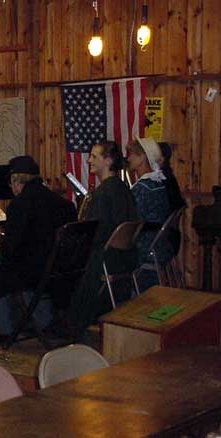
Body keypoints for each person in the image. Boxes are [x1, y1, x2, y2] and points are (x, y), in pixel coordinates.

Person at [0, 156, 76, 345]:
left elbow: (10, 251)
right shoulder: (64, 204)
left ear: (16, 181)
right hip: (61, 271)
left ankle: (1, 329)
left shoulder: (19, 204)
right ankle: (42, 318)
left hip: (34, 274)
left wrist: (2, 254)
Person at [65, 141, 138, 339]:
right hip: (123, 258)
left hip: (103, 261)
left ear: (108, 160)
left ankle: (67, 325)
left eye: (94, 156)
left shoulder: (104, 194)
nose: (89, 160)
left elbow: (92, 233)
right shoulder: (123, 190)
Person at [126, 137, 171, 290]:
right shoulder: (158, 185)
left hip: (144, 249)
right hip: (159, 246)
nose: (128, 157)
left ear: (143, 157)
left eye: (132, 154)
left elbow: (130, 222)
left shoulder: (143, 189)